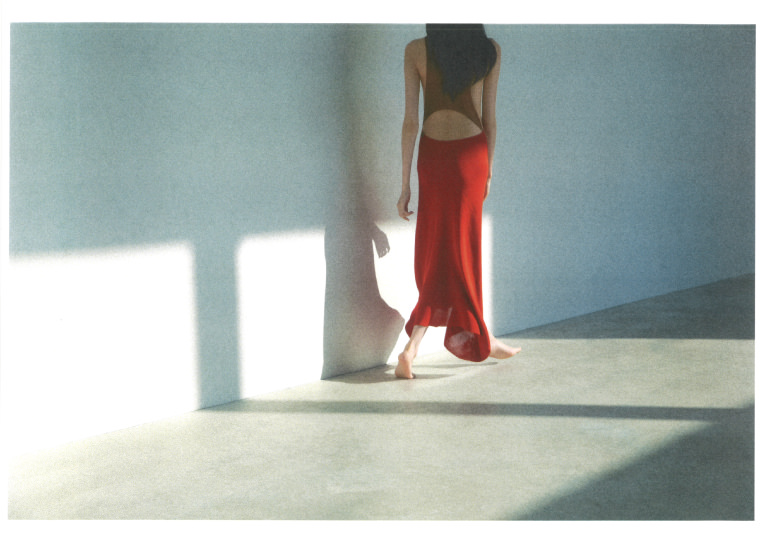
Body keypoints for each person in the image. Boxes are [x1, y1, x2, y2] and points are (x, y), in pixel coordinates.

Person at [395, 24, 521, 379]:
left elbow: (410, 122)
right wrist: (489, 170)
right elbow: (489, 120)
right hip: (471, 159)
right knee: (465, 251)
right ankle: (478, 337)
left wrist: (404, 183)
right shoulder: (488, 49)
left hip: (432, 159)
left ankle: (416, 347)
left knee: (438, 251)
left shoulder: (415, 49)